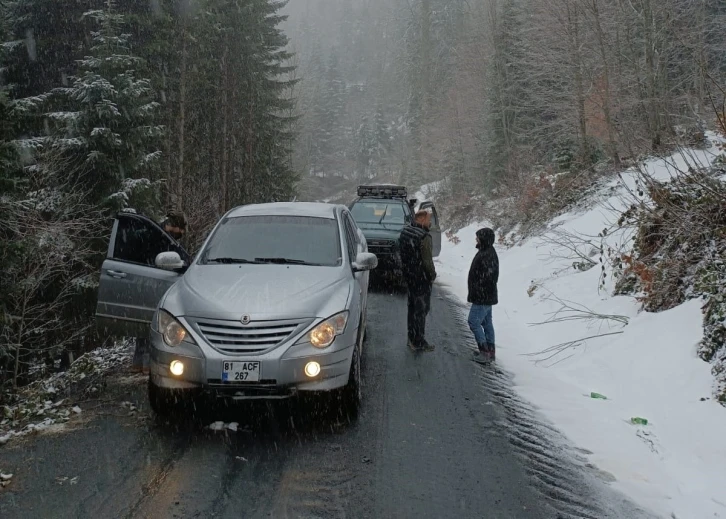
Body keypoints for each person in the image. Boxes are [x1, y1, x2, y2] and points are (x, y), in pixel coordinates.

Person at [131, 209, 188, 373]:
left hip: (145, 281)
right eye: (181, 230)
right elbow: (171, 259)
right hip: (154, 283)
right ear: (174, 225)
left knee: (145, 323)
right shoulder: (162, 238)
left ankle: (138, 362)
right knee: (153, 323)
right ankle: (147, 364)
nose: (182, 234)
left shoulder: (157, 233)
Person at [399, 210, 437, 352]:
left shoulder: (405, 231)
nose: (430, 222)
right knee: (421, 309)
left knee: (412, 307)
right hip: (421, 278)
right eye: (428, 219)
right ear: (421, 219)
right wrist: (432, 275)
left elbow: (400, 252)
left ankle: (411, 338)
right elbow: (427, 261)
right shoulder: (424, 237)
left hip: (410, 276)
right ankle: (419, 340)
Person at [467, 227, 499, 363]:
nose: (476, 239)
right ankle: (490, 351)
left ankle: (484, 351)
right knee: (486, 322)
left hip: (483, 296)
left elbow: (488, 277)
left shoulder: (487, 255)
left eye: (478, 237)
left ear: (484, 239)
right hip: (486, 295)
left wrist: (477, 290)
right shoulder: (487, 252)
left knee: (473, 322)